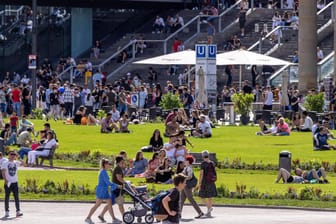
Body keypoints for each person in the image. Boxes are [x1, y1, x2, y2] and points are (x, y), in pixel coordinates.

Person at [84, 158, 121, 224]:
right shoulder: (103, 172)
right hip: (102, 190)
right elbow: (108, 182)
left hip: (104, 190)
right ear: (104, 165)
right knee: (97, 205)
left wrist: (115, 186)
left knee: (109, 204)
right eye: (108, 164)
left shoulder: (104, 171)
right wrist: (117, 185)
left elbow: (108, 183)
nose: (109, 165)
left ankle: (114, 219)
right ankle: (88, 218)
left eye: (109, 164)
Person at [1, 151, 23, 218]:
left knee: (16, 197)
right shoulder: (5, 163)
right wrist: (5, 180)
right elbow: (3, 172)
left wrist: (19, 157)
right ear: (9, 155)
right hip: (8, 182)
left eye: (14, 155)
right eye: (11, 154)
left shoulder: (16, 162)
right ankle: (7, 212)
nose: (13, 156)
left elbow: (25, 164)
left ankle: (18, 211)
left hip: (15, 182)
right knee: (7, 197)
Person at [198, 150, 217, 217]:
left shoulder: (203, 164)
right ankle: (209, 212)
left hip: (204, 182)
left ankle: (209, 208)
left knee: (201, 196)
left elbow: (201, 174)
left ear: (202, 156)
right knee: (210, 197)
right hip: (211, 181)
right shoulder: (212, 163)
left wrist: (199, 183)